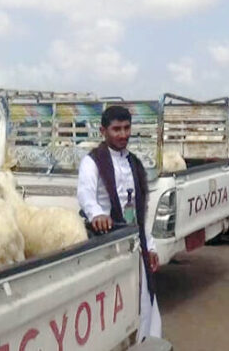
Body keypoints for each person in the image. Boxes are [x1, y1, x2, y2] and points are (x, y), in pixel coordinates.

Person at [77, 106, 161, 341]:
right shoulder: (92, 162)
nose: (123, 134)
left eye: (126, 128)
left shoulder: (134, 163)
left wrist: (150, 246)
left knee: (143, 297)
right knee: (111, 304)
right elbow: (85, 196)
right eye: (116, 129)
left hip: (134, 242)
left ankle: (144, 341)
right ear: (103, 130)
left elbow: (140, 211)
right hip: (107, 243)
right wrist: (97, 215)